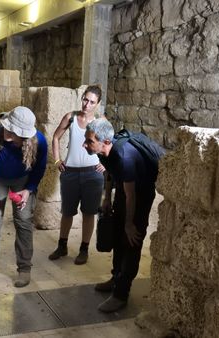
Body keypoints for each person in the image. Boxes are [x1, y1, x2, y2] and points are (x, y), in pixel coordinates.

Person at [83, 118, 156, 312]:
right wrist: (107, 198)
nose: (85, 144)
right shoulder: (104, 151)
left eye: (89, 141)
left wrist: (130, 224)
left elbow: (132, 195)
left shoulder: (125, 156)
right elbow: (109, 172)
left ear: (106, 141)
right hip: (125, 191)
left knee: (131, 240)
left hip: (140, 196)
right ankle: (115, 279)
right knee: (117, 235)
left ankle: (121, 294)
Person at [0, 106, 48, 288]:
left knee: (24, 223)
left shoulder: (39, 141)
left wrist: (29, 189)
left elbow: (39, 168)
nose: (8, 134)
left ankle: (24, 269)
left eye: (14, 132)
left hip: (22, 181)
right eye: (8, 128)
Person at [48, 85, 105, 265]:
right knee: (67, 212)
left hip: (93, 174)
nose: (87, 105)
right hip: (70, 173)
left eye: (92, 102)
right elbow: (56, 137)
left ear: (98, 104)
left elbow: (110, 145)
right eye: (85, 99)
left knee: (89, 213)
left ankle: (83, 249)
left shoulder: (101, 122)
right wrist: (57, 160)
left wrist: (105, 164)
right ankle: (62, 245)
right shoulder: (70, 117)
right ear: (82, 98)